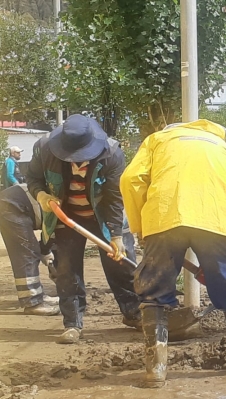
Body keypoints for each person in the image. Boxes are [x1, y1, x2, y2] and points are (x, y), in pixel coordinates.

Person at [120, 120, 226, 388]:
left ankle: (156, 369)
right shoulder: (223, 149)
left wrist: (142, 226)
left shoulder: (157, 140)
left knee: (153, 290)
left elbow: (131, 180)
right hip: (215, 221)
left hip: (165, 217)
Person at [26, 114, 141, 345]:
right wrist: (41, 196)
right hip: (65, 216)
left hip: (104, 216)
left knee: (120, 263)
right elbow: (33, 177)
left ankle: (134, 313)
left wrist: (117, 236)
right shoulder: (45, 149)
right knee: (67, 270)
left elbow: (115, 197)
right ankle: (72, 323)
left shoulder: (111, 153)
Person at [0, 184, 59, 315]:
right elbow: (50, 232)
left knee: (32, 250)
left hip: (15, 203)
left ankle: (37, 295)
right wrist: (45, 251)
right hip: (12, 206)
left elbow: (49, 236)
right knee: (28, 252)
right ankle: (33, 302)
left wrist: (45, 251)